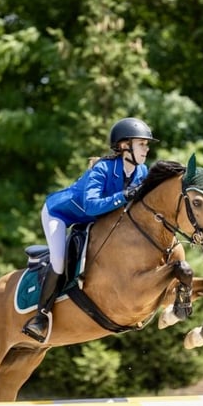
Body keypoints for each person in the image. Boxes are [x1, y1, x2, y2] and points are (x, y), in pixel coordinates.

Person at [22, 117, 158, 342]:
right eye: (142, 143)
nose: (147, 148)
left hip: (90, 221)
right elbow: (91, 205)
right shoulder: (103, 169)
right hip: (59, 214)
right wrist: (123, 196)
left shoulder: (141, 171)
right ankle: (41, 316)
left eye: (146, 144)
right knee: (58, 259)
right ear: (125, 146)